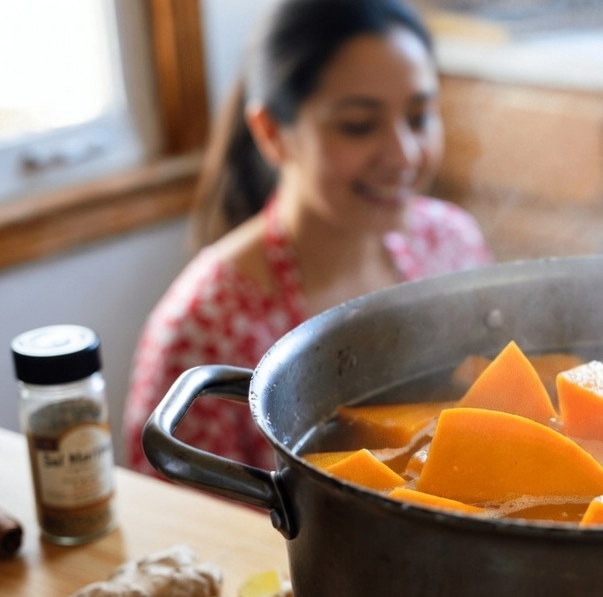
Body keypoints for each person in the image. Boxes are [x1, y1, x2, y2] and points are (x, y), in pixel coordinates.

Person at [122, 0, 491, 476]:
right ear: (273, 133)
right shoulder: (205, 326)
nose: (403, 153)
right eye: (358, 125)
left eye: (419, 117)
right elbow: (180, 528)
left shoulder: (451, 241)